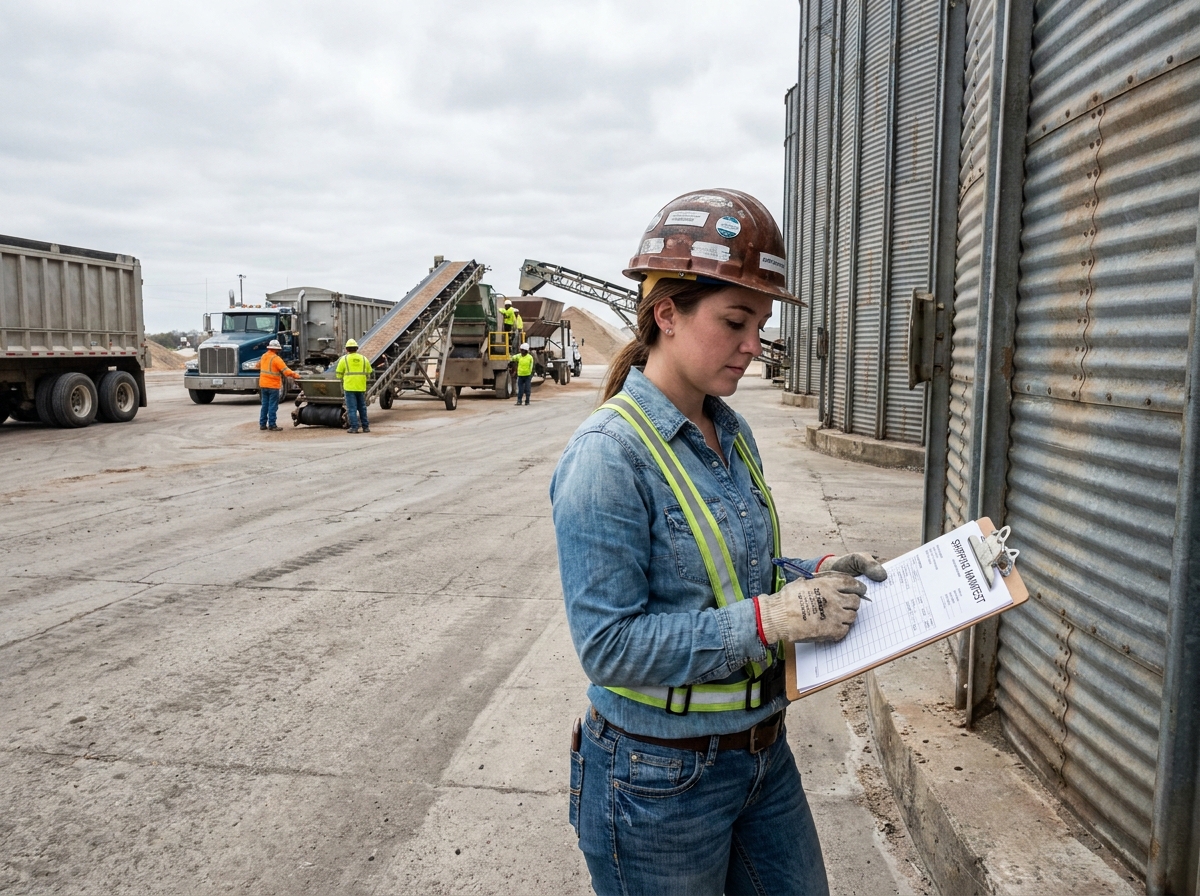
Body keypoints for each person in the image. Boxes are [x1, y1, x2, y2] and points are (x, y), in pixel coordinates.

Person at [549, 188, 888, 896]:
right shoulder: (608, 456)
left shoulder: (729, 430)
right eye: (736, 321)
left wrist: (817, 572)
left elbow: (740, 574)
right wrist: (774, 620)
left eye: (760, 324)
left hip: (763, 757)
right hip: (658, 782)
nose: (752, 345)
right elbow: (609, 644)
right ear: (665, 314)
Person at [257, 338, 299, 431]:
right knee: (272, 405)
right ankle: (272, 425)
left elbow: (258, 366)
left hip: (263, 385)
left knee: (264, 405)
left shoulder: (264, 356)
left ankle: (262, 424)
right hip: (273, 386)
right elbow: (286, 371)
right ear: (277, 349)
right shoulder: (276, 359)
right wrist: (296, 375)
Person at [336, 339, 373, 433]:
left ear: (347, 349)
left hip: (349, 387)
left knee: (352, 409)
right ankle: (366, 427)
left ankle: (354, 427)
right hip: (361, 387)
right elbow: (369, 372)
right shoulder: (364, 359)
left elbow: (338, 374)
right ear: (357, 348)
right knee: (362, 408)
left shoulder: (344, 359)